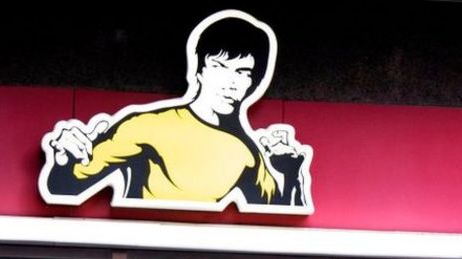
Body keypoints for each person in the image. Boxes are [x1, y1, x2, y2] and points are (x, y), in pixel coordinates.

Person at [41, 11, 309, 210]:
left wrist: (291, 173)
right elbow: (64, 187)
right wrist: (65, 157)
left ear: (253, 82)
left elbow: (280, 221)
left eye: (242, 72)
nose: (230, 82)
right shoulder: (148, 126)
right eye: (219, 66)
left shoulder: (248, 152)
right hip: (135, 253)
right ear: (199, 69)